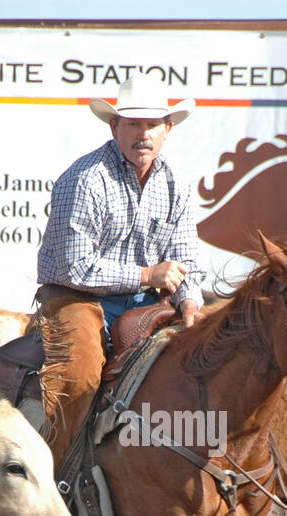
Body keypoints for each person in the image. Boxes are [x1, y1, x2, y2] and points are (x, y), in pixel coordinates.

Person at [34, 73, 206, 464]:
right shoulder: (85, 178)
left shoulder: (175, 183)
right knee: (80, 376)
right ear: (114, 127)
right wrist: (148, 276)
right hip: (75, 299)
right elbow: (74, 268)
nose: (142, 134)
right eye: (132, 124)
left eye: (151, 125)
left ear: (167, 130)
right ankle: (56, 476)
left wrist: (191, 302)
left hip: (144, 303)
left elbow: (186, 260)